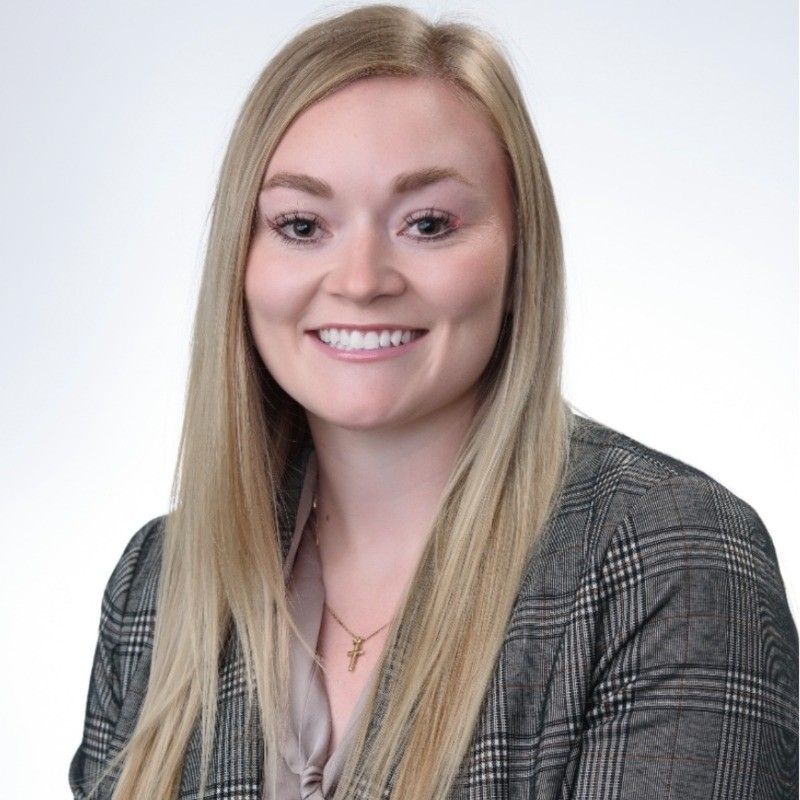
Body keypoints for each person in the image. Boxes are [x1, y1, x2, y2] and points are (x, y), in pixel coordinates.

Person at [68, 4, 798, 799]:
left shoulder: (670, 559)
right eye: (303, 223)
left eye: (427, 222)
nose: (360, 279)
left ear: (521, 257)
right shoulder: (159, 580)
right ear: (241, 264)